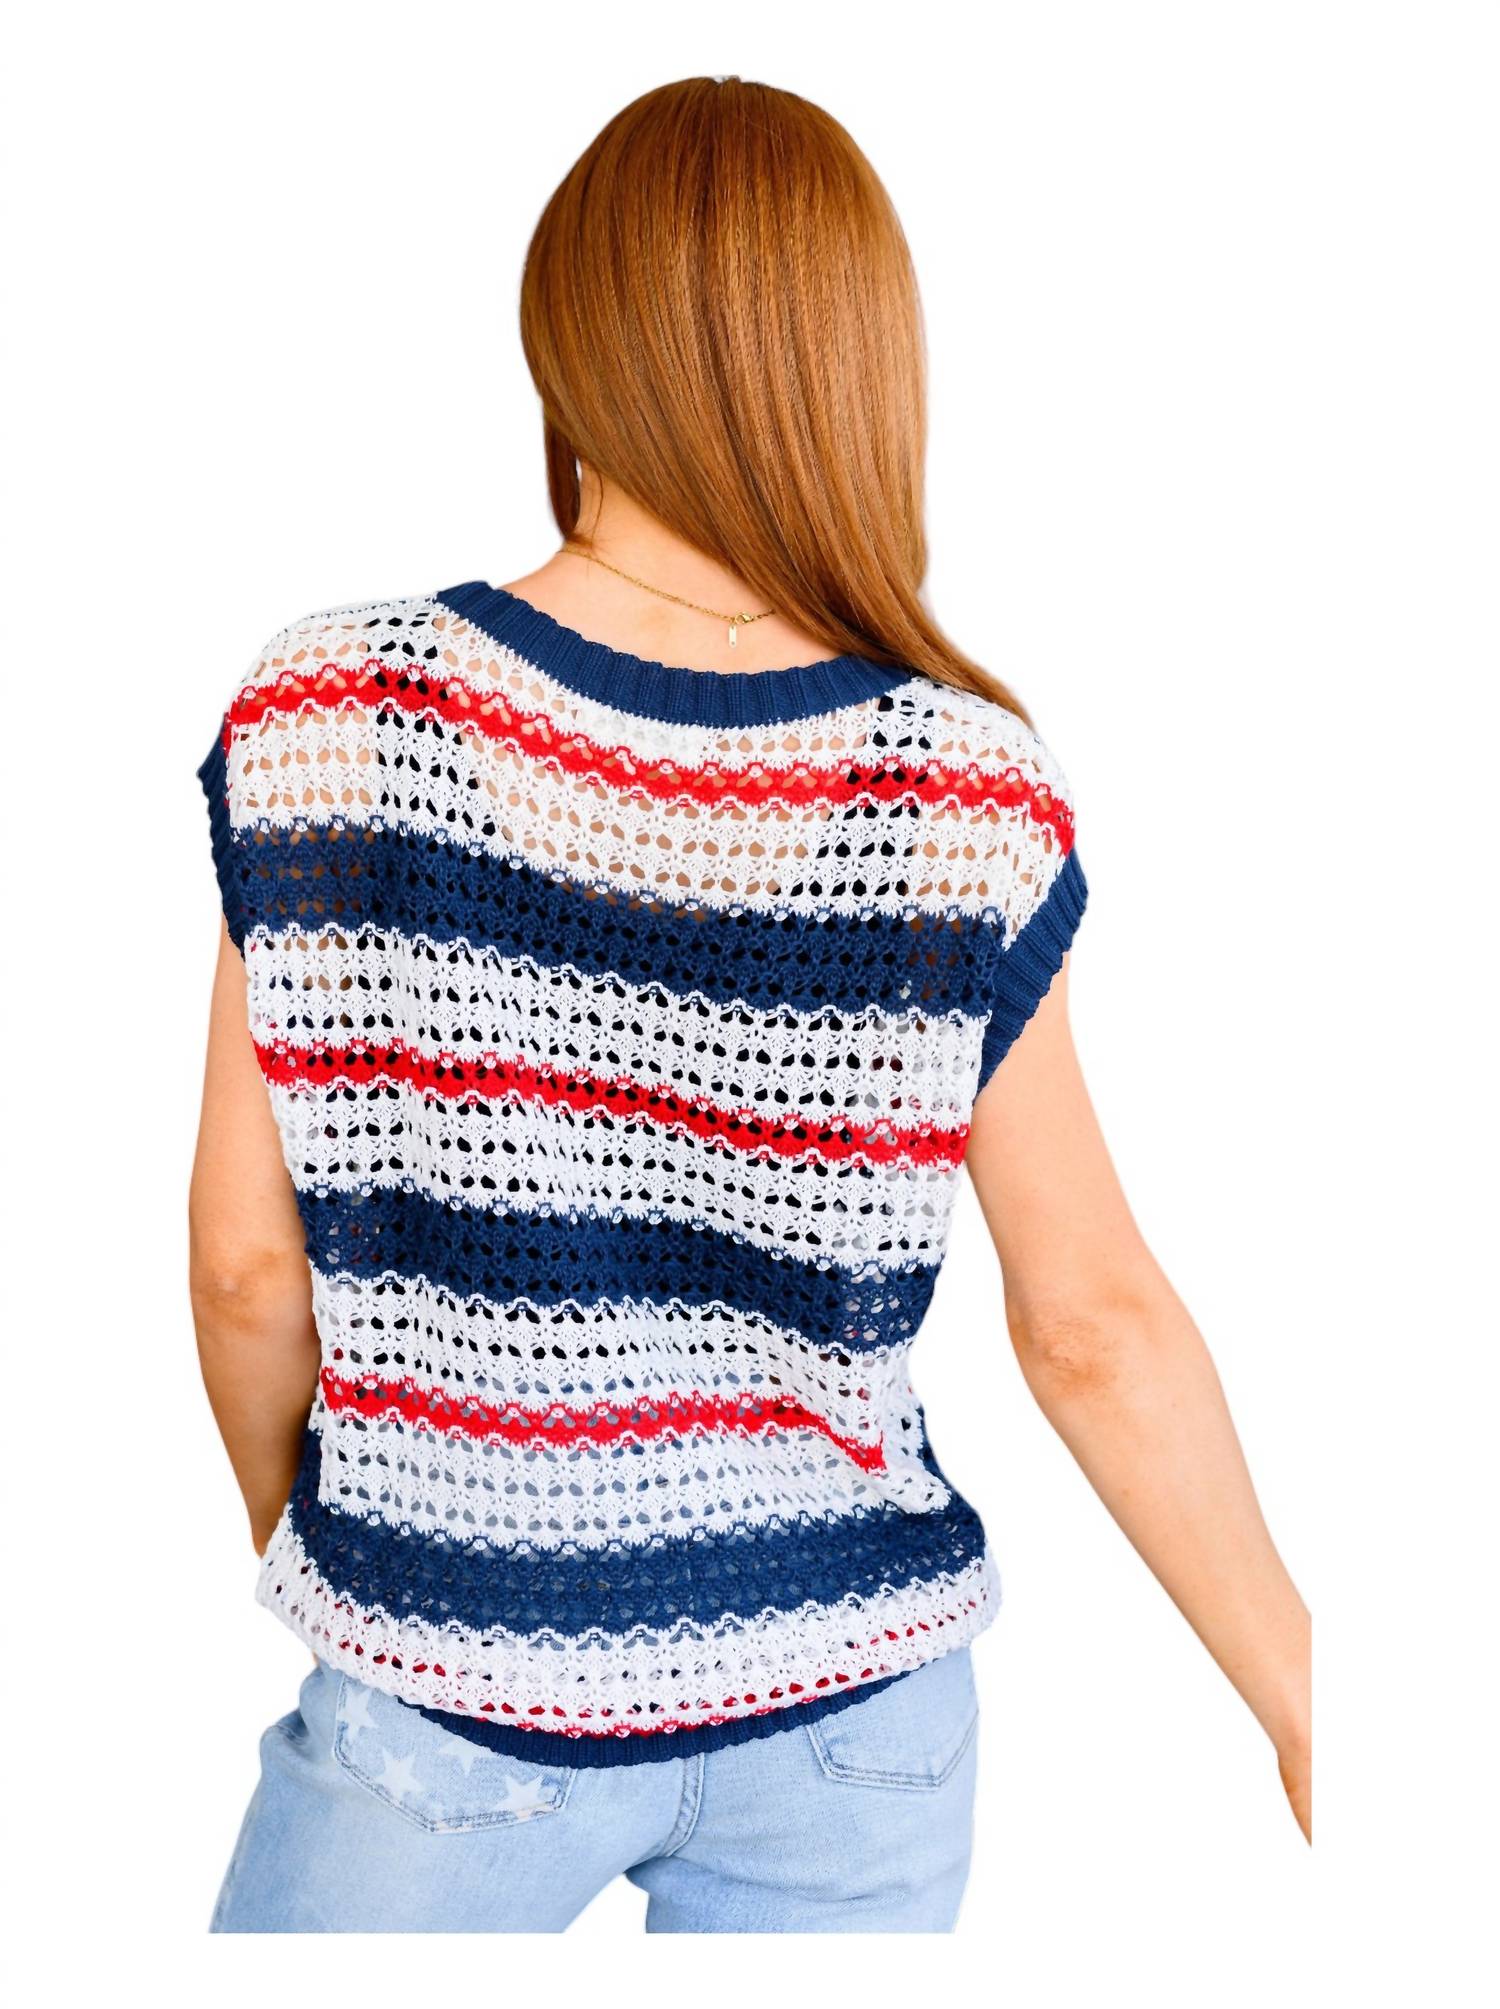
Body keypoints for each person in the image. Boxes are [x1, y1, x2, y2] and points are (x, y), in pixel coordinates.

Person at [189, 75, 1310, 1936]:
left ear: (567, 333)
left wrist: (341, 1551)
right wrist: (1311, 1701)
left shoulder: (332, 714)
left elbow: (245, 1267)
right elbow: (1095, 1322)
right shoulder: (955, 786)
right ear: (858, 366)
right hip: (856, 1712)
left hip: (448, 1684)